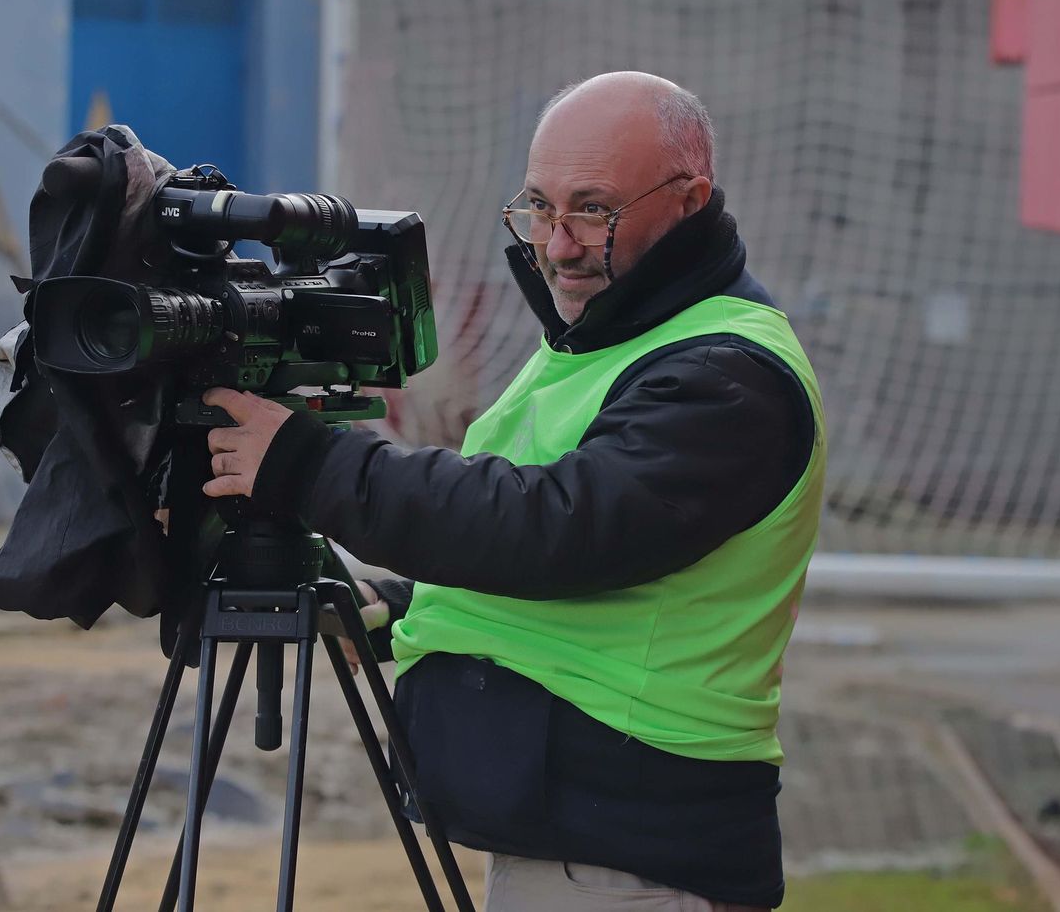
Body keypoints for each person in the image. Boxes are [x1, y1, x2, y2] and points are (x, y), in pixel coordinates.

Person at [199, 71, 824, 911]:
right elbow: (564, 561)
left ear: (688, 198)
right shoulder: (615, 329)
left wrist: (311, 467)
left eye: (593, 209)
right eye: (539, 205)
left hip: (633, 858)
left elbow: (555, 528)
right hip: (579, 838)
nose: (557, 243)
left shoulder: (724, 372)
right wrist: (398, 606)